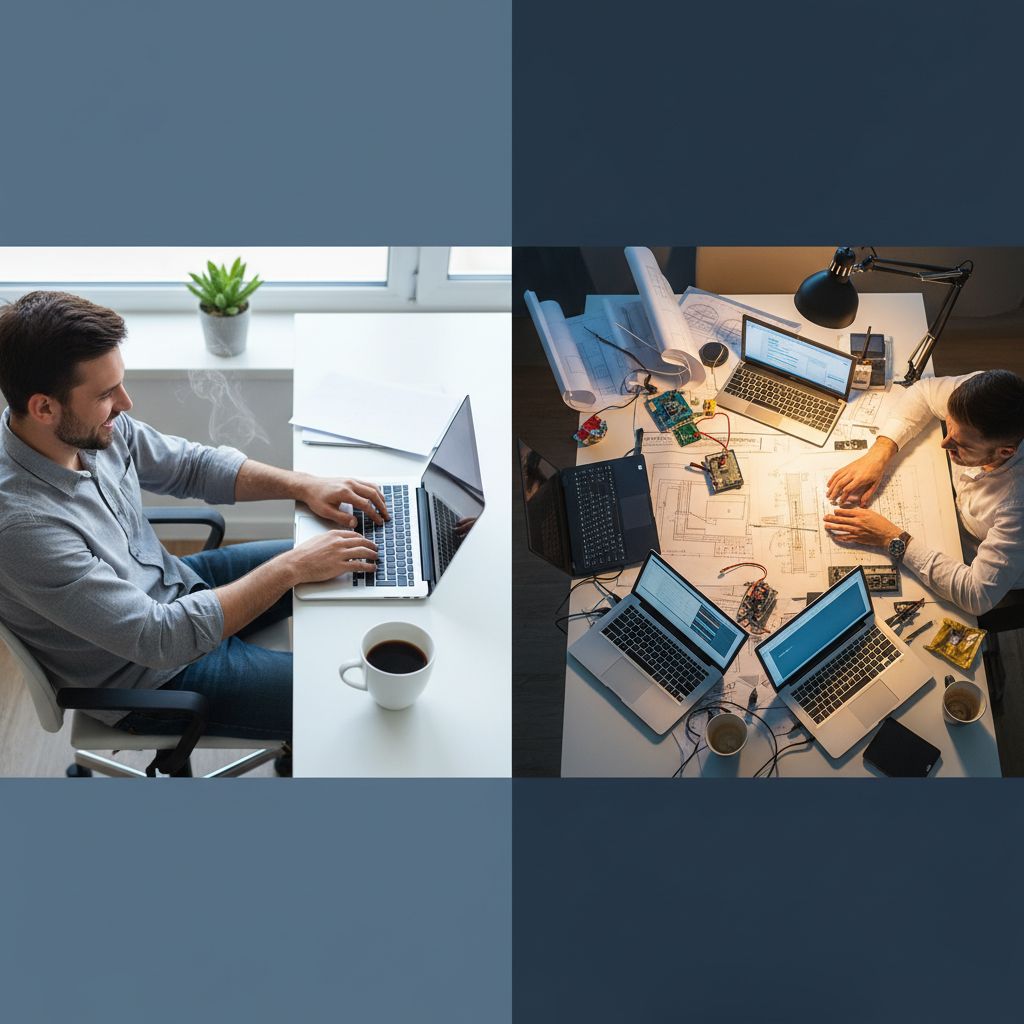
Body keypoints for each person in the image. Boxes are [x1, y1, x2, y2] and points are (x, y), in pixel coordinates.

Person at [0, 290, 389, 746]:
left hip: (179, 584)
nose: (126, 404)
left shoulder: (89, 428)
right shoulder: (24, 528)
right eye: (107, 394)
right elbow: (159, 639)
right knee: (357, 698)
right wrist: (291, 569)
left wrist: (302, 484)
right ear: (44, 408)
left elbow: (191, 466)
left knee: (362, 553)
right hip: (152, 673)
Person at [823, 369, 1024, 615]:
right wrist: (881, 451)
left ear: (1005, 452)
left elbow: (978, 594)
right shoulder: (976, 397)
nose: (944, 443)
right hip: (949, 511)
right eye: (948, 427)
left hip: (989, 558)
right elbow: (923, 392)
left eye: (960, 445)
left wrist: (892, 539)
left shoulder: (1016, 504)